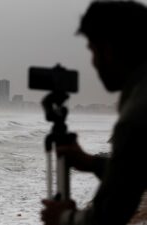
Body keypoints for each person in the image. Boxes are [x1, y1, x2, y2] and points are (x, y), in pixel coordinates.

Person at [41, 1, 147, 225]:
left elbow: (108, 216)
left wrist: (63, 218)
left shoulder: (136, 116)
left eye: (92, 50)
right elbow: (135, 174)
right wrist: (91, 163)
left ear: (108, 50)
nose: (94, 62)